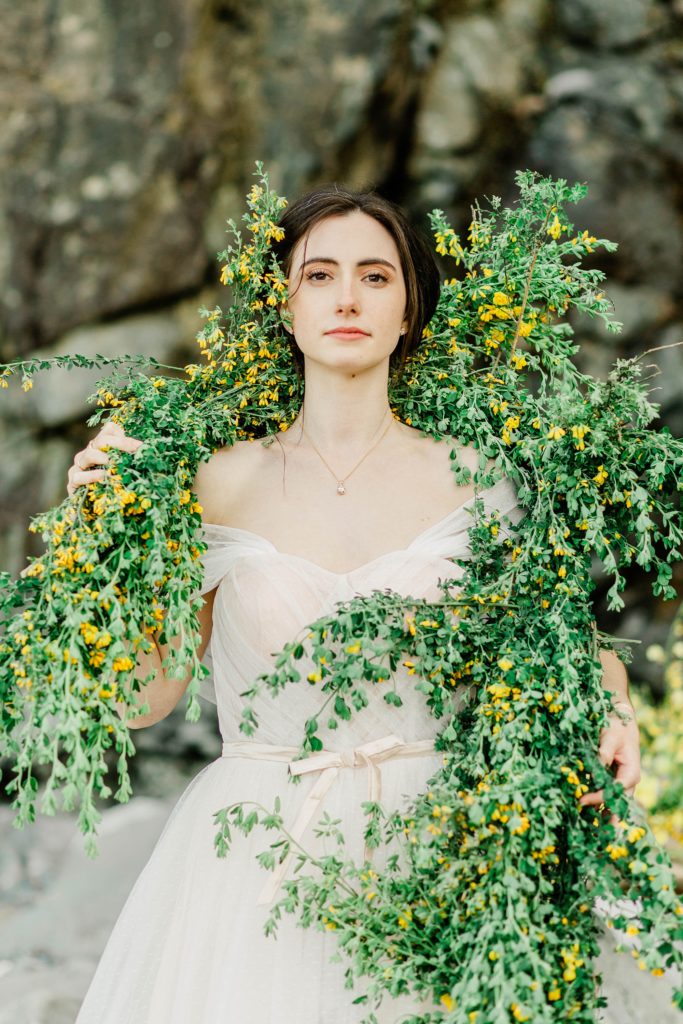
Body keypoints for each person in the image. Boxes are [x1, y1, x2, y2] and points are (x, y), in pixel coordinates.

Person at [67, 187, 640, 1022]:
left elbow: (561, 643)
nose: (346, 297)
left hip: (443, 848)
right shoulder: (211, 483)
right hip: (256, 860)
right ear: (284, 305)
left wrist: (615, 704)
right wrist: (107, 541)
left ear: (408, 308)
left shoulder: (481, 478)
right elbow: (141, 699)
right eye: (320, 275)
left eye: (375, 276)